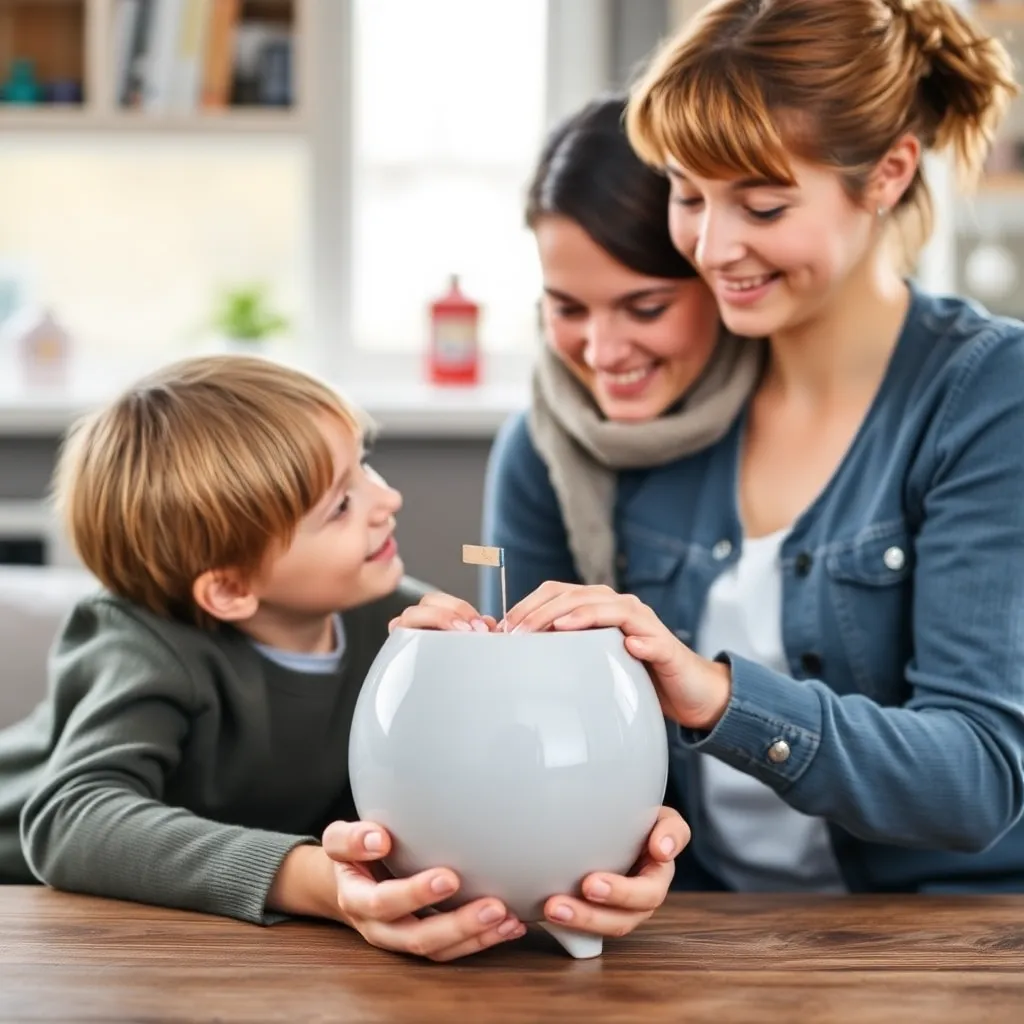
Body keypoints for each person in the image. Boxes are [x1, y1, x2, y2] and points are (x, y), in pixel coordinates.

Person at [478, 0, 1024, 892]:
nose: (712, 246)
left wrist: (720, 696)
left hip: (936, 931)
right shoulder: (643, 417)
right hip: (703, 929)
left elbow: (978, 777)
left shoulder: (985, 393)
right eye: (688, 196)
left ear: (888, 174)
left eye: (762, 206)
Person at [0, 355, 685, 961]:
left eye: (366, 466)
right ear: (231, 589)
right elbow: (69, 819)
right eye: (340, 505)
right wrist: (315, 882)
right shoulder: (138, 640)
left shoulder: (396, 627)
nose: (388, 500)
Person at [479, 94, 763, 614]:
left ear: (718, 279)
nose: (604, 354)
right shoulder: (537, 452)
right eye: (567, 309)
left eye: (646, 309)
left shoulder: (794, 415)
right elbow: (521, 662)